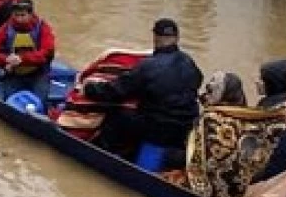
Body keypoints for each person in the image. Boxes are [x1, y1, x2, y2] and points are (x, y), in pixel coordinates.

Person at [85, 18, 204, 167]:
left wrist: (90, 89)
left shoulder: (147, 66)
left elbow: (115, 91)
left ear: (155, 37)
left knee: (118, 116)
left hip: (157, 130)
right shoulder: (190, 63)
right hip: (184, 129)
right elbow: (198, 81)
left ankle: (104, 157)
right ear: (177, 38)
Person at [0, 0, 56, 104]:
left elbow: (46, 52)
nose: (18, 19)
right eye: (16, 15)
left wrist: (21, 59)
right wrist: (6, 60)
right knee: (9, 103)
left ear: (31, 14)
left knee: (40, 102)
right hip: (14, 74)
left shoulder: (43, 27)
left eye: (22, 15)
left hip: (38, 74)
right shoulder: (6, 28)